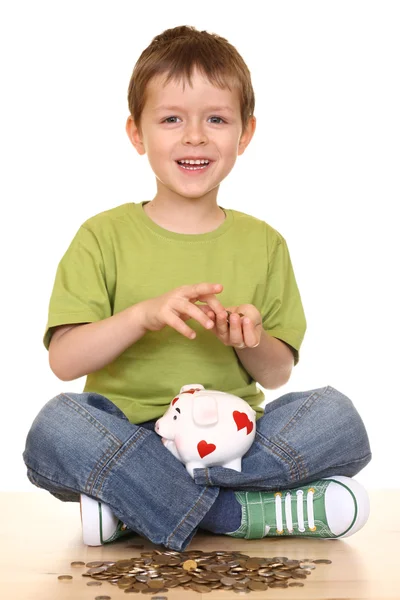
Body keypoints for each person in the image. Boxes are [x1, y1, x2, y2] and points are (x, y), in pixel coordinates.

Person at [22, 25, 372, 551]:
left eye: (216, 119)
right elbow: (65, 362)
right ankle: (236, 511)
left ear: (245, 134)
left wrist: (247, 339)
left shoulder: (265, 242)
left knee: (336, 417)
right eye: (170, 120)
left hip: (235, 443)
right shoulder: (101, 236)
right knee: (58, 427)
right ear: (136, 134)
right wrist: (142, 316)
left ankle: (136, 507)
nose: (194, 137)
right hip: (131, 439)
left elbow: (277, 374)